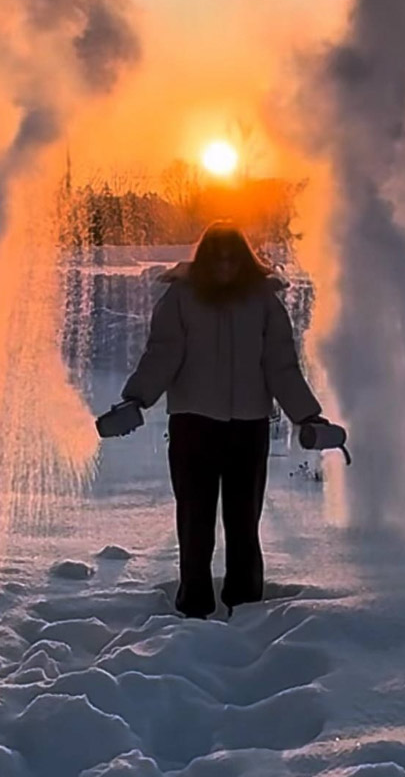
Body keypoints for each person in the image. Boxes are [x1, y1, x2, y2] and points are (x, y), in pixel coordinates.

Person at [121, 222, 323, 619]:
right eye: (218, 257)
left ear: (244, 259)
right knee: (195, 522)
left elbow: (281, 367)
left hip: (248, 428)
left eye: (233, 257)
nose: (225, 265)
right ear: (206, 259)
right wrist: (135, 400)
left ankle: (245, 607)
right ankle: (193, 607)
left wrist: (307, 415)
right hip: (193, 426)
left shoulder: (264, 303)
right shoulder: (180, 298)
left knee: (244, 523)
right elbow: (162, 356)